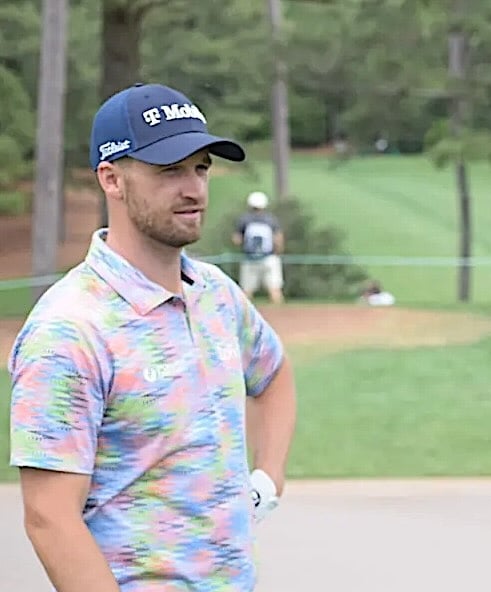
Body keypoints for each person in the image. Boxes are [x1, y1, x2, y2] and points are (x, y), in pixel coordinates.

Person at [8, 82, 298, 591]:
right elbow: (49, 519)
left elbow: (273, 374)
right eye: (169, 171)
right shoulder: (70, 329)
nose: (194, 189)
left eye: (201, 168)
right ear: (111, 179)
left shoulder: (216, 295)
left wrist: (268, 477)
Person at [233, 190, 286, 304]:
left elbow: (236, 239)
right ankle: (282, 315)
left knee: (247, 292)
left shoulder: (244, 220)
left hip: (250, 258)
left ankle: (245, 318)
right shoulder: (271, 219)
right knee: (274, 289)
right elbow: (278, 238)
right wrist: (278, 252)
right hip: (269, 258)